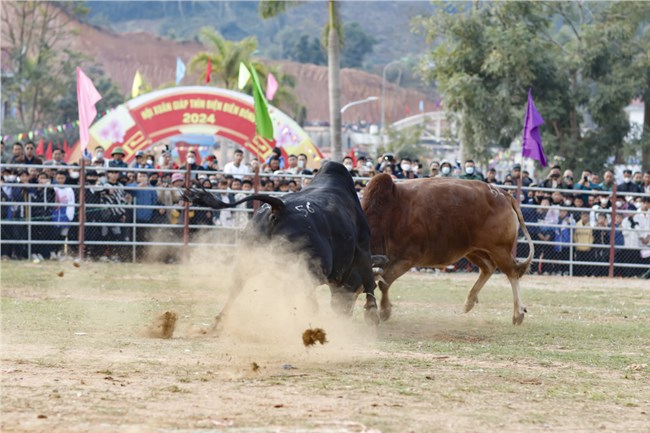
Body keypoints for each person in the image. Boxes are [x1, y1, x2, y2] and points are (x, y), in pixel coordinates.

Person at [51, 170, 76, 259]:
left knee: (63, 234)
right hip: (55, 213)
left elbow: (71, 202)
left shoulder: (69, 189)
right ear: (55, 178)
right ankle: (53, 252)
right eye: (58, 178)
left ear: (65, 178)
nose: (60, 180)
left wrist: (70, 215)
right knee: (54, 233)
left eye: (62, 178)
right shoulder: (53, 188)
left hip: (65, 213)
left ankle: (60, 252)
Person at [573, 212, 594, 277]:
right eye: (583, 216)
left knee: (587, 262)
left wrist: (589, 245)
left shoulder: (590, 225)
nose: (585, 218)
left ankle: (586, 274)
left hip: (587, 247)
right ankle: (579, 274)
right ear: (581, 216)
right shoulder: (577, 225)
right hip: (579, 247)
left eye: (586, 216)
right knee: (579, 261)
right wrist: (577, 244)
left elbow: (591, 237)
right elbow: (575, 236)